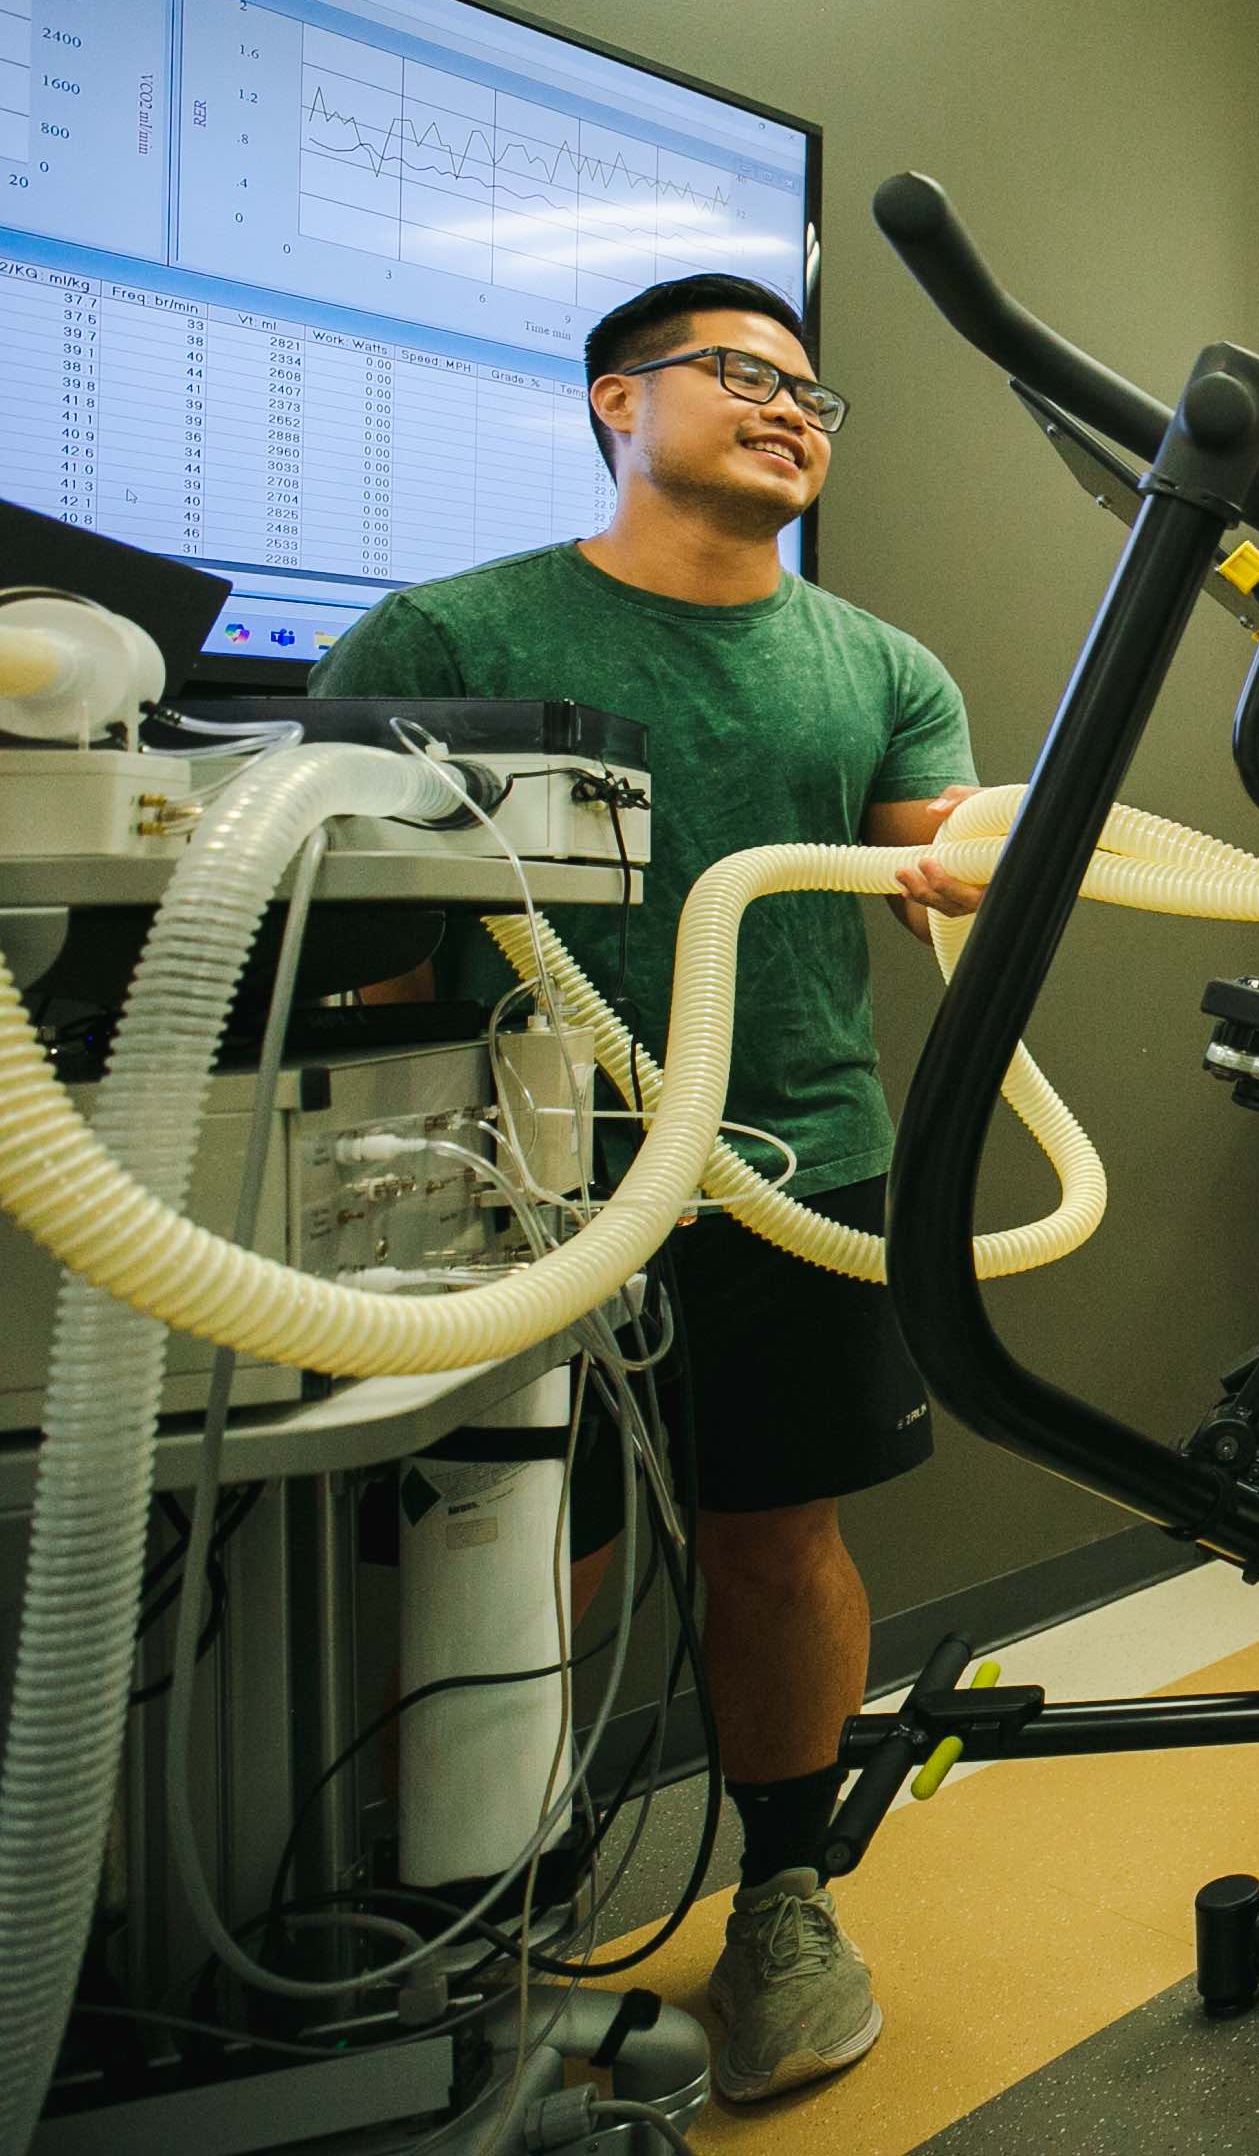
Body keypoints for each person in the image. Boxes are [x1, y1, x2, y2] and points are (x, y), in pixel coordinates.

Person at [316, 272, 982, 2105]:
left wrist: (982, 858)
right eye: (742, 376)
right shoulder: (449, 633)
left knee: (780, 1544)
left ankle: (785, 1894)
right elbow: (356, 943)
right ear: (620, 402)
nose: (792, 410)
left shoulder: (877, 665)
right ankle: (478, 1917)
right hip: (520, 1192)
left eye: (813, 392)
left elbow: (943, 851)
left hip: (792, 1176)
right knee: (514, 1556)